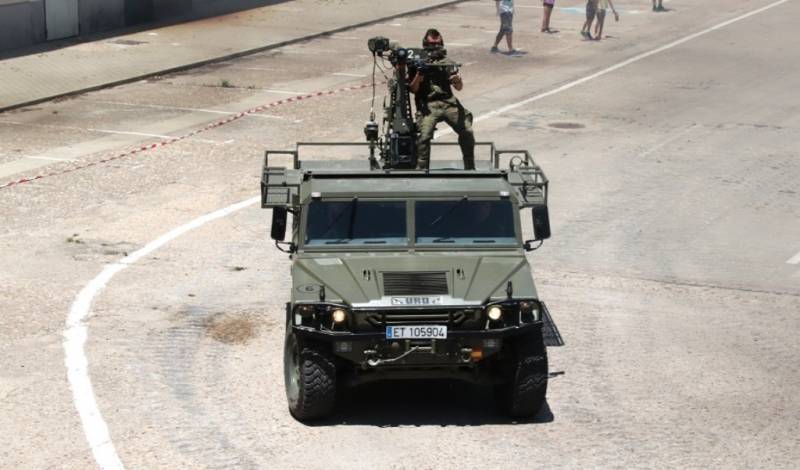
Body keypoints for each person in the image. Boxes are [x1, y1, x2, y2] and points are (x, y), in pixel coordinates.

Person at [408, 29, 475, 170]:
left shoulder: (446, 62)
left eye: (438, 44)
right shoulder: (416, 63)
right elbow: (413, 89)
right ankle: (422, 169)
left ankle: (470, 167)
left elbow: (459, 88)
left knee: (467, 132)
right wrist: (419, 75)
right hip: (428, 105)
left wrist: (457, 80)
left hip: (448, 103)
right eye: (432, 45)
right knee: (424, 137)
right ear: (425, 44)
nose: (435, 48)